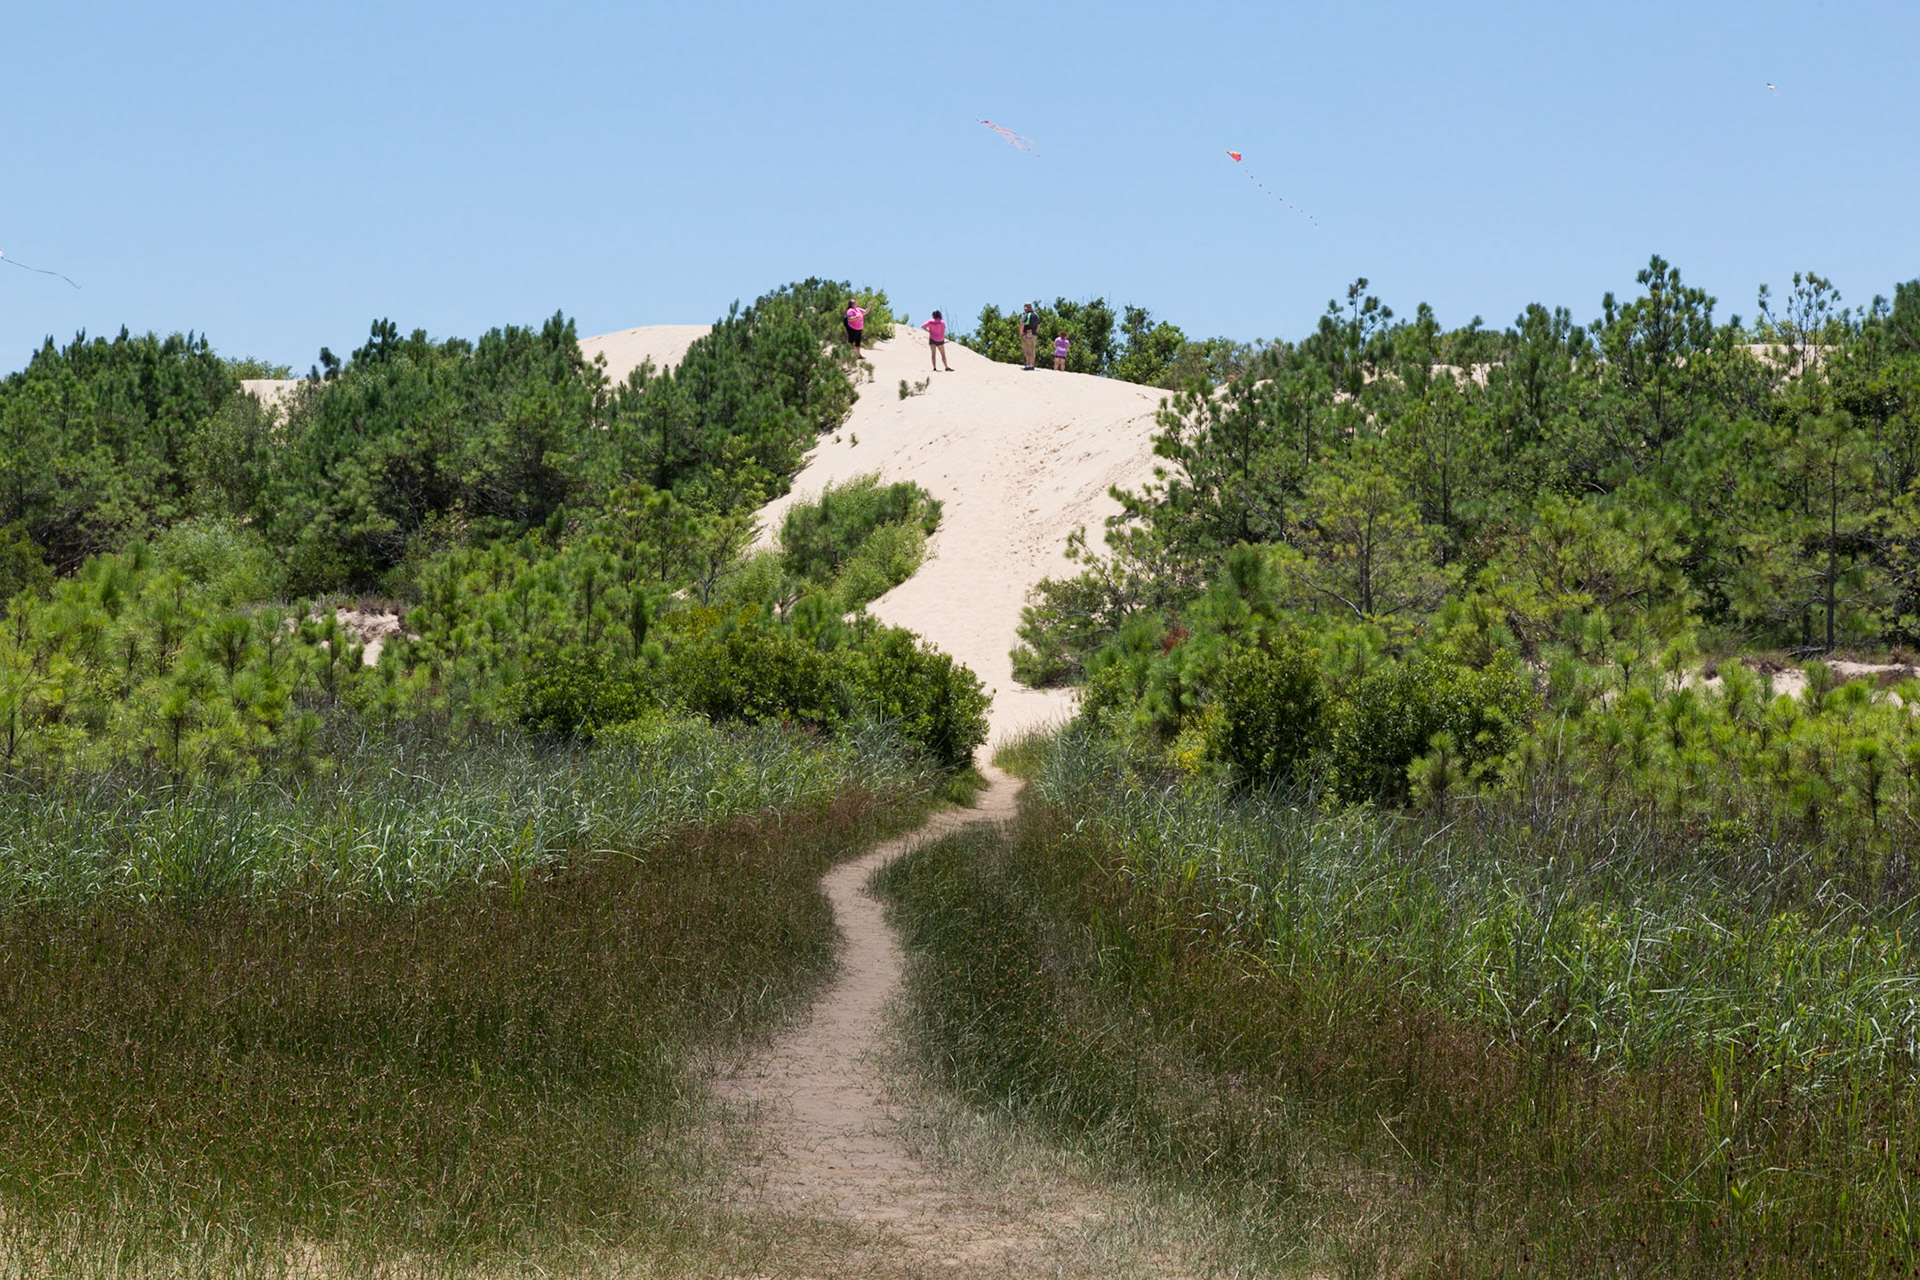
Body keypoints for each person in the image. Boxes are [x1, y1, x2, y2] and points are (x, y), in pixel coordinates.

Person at [1019, 302, 1040, 370]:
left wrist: (1021, 333)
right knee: (1032, 350)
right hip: (1033, 335)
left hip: (1026, 334)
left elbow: (1022, 323)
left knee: (1027, 350)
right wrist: (1035, 332)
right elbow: (1038, 325)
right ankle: (1032, 365)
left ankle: (1028, 364)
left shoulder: (1027, 315)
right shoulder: (1036, 315)